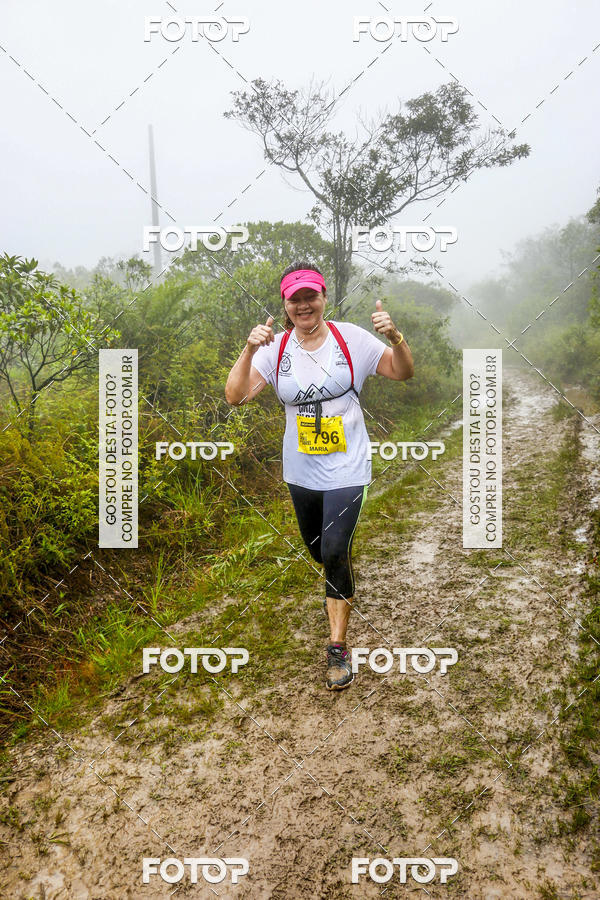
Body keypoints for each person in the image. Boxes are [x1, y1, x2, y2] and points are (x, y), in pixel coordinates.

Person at [225, 262, 414, 690]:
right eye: (295, 298)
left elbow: (402, 372)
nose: (304, 304)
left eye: (311, 295)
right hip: (302, 470)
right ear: (285, 305)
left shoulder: (351, 339)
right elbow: (235, 398)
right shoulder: (275, 351)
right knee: (318, 550)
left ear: (323, 297)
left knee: (332, 548)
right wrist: (248, 350)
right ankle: (340, 568)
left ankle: (337, 648)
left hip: (349, 465)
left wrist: (395, 337)